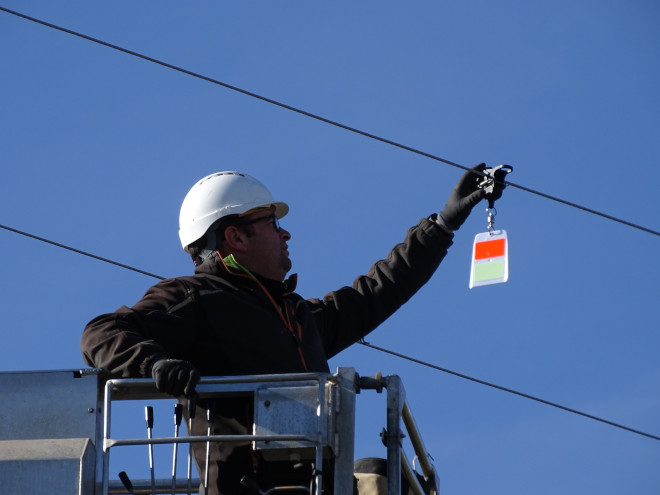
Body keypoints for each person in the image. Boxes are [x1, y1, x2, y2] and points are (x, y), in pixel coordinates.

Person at [81, 165, 505, 494]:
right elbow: (101, 334)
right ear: (236, 237)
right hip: (249, 489)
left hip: (314, 484)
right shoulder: (196, 296)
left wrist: (444, 223)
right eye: (270, 222)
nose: (285, 233)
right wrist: (156, 364)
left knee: (378, 476)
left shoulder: (296, 316)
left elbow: (376, 292)